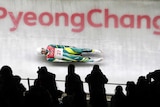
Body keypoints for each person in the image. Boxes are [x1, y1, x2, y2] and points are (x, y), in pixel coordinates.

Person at [37, 44, 103, 62]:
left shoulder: (50, 46)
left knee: (79, 50)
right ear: (42, 54)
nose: (43, 51)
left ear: (43, 48)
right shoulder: (48, 58)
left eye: (42, 49)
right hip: (65, 56)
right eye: (42, 52)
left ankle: (94, 50)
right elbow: (59, 60)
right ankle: (93, 60)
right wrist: (67, 60)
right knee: (79, 58)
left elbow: (60, 45)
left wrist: (68, 46)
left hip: (66, 50)